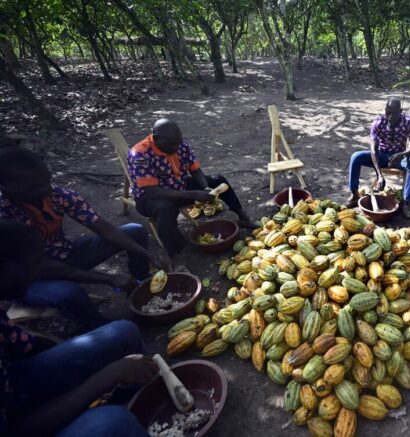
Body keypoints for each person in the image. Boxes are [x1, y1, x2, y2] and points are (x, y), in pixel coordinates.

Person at [0, 219, 156, 436]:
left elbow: (25, 345)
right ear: (7, 269)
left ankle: (142, 400)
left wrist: (75, 361)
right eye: (34, 265)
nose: (38, 273)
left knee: (123, 332)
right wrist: (106, 376)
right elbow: (20, 428)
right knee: (114, 422)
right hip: (13, 423)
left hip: (14, 383)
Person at [0, 146, 163, 329]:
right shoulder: (5, 217)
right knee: (69, 293)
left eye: (47, 181)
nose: (47, 189)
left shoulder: (56, 195)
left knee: (134, 231)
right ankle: (100, 327)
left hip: (65, 254)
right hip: (28, 279)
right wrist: (107, 279)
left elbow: (104, 228)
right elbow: (42, 267)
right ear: (7, 188)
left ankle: (141, 282)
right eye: (35, 187)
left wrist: (145, 254)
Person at [128, 118, 251, 267]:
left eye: (178, 143)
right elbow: (153, 191)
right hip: (150, 199)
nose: (176, 147)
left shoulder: (178, 144)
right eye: (172, 145)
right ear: (156, 138)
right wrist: (194, 194)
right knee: (165, 209)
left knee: (218, 179)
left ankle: (242, 215)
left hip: (179, 186)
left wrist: (205, 188)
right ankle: (177, 256)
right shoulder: (140, 154)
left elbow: (195, 169)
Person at [346, 98, 410, 218]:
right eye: (388, 112)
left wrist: (402, 155)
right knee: (356, 157)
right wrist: (379, 175)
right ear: (385, 110)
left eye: (394, 113)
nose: (390, 116)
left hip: (399, 158)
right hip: (381, 155)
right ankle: (354, 194)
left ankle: (406, 202)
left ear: (401, 111)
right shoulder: (378, 122)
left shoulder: (408, 122)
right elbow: (373, 150)